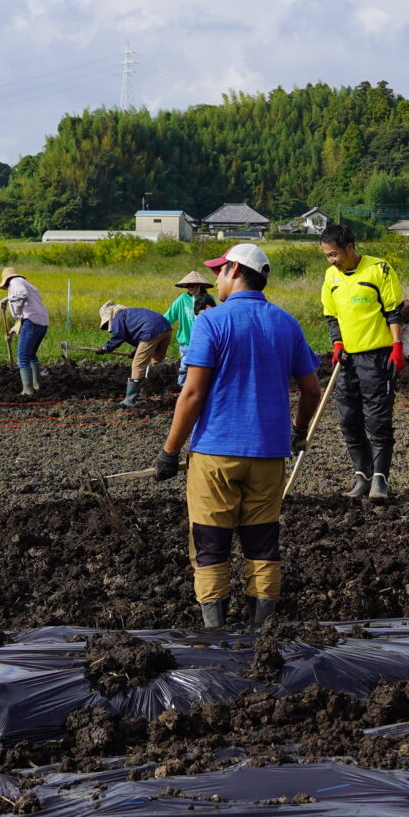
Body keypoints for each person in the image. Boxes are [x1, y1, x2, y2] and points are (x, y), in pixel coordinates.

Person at [153, 243, 322, 630]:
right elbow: (312, 390)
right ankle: (262, 630)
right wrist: (298, 432)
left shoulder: (211, 323)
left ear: (233, 269)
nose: (215, 279)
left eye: (218, 271)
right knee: (262, 543)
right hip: (269, 454)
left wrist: (168, 452)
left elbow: (192, 394)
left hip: (215, 454)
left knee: (211, 545)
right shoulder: (286, 323)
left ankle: (216, 634)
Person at [318, 222, 409, 503]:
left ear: (350, 248)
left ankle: (380, 481)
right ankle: (362, 475)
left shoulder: (379, 269)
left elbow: (393, 313)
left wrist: (397, 347)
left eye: (335, 254)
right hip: (347, 359)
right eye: (327, 256)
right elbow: (331, 316)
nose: (332, 260)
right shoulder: (330, 277)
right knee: (348, 419)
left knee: (377, 420)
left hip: (377, 357)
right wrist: (337, 344)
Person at [96, 301, 175, 405]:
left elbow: (119, 336)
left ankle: (130, 399)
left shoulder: (118, 317)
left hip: (151, 331)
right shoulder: (131, 314)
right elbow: (139, 334)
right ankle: (157, 390)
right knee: (156, 361)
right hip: (166, 328)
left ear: (109, 315)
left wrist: (105, 348)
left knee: (137, 365)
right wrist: (135, 351)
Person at [0, 264, 50, 395]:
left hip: (32, 322)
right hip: (42, 323)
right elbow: (23, 317)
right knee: (31, 355)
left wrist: (7, 299)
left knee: (22, 357)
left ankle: (27, 390)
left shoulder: (15, 282)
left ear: (7, 280)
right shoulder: (26, 284)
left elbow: (21, 296)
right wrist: (11, 332)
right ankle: (36, 385)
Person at [164, 273, 215, 356]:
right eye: (188, 286)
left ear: (199, 285)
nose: (189, 288)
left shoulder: (208, 299)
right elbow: (168, 317)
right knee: (184, 368)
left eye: (192, 285)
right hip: (186, 345)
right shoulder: (182, 299)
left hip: (203, 344)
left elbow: (214, 320)